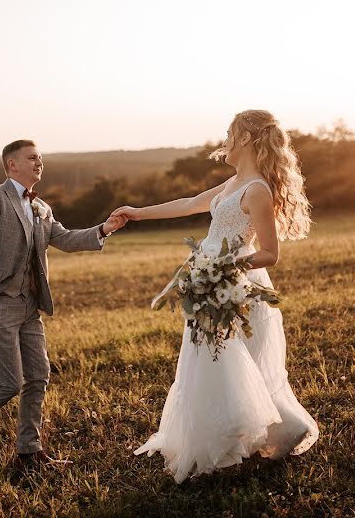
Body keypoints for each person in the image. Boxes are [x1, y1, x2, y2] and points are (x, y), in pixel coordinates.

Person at [111, 110, 319, 483]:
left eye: (229, 133)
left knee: (230, 361)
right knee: (210, 360)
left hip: (234, 287)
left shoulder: (256, 190)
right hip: (210, 282)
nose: (224, 139)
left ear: (244, 139)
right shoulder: (232, 183)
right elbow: (189, 202)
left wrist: (223, 269)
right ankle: (227, 436)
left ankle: (252, 435)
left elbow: (270, 252)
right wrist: (137, 213)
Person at [0, 139, 127, 474]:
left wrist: (104, 229)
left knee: (39, 375)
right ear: (11, 164)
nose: (39, 162)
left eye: (41, 158)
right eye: (32, 158)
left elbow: (65, 239)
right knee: (9, 381)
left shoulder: (41, 206)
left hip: (30, 307)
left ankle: (29, 453)